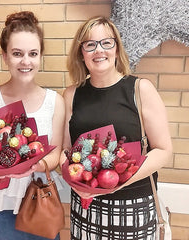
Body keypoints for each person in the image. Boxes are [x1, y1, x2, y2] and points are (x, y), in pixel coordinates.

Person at [61, 16, 172, 240]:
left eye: (106, 42)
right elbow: (65, 152)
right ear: (81, 53)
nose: (98, 50)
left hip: (133, 206)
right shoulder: (72, 94)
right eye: (90, 45)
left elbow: (163, 150)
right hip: (86, 208)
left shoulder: (140, 89)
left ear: (116, 48)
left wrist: (118, 182)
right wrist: (73, 182)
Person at [0, 11, 65, 240]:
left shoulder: (55, 102)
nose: (26, 61)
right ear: (5, 56)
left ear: (41, 57)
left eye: (33, 53)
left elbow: (56, 155)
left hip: (39, 202)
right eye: (17, 53)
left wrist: (35, 166)